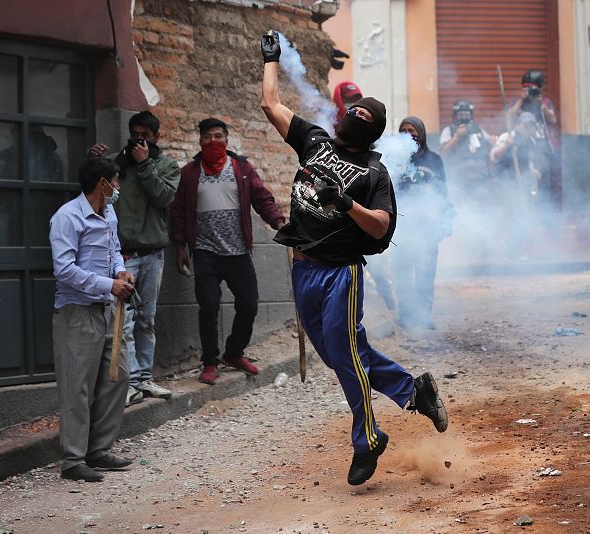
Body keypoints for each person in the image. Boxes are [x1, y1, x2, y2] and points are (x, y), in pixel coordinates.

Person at [260, 30, 448, 487]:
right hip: (302, 267)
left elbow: (382, 226)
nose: (356, 117)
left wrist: (345, 203)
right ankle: (412, 390)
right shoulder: (315, 141)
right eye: (355, 111)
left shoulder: (374, 173)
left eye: (366, 117)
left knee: (346, 357)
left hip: (340, 275)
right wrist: (270, 59)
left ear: (372, 132)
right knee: (342, 353)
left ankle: (368, 441)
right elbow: (270, 105)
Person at [169, 118, 286, 385]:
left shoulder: (241, 168)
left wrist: (277, 220)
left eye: (218, 136)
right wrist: (179, 246)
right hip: (205, 251)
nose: (213, 141)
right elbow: (177, 213)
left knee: (249, 303)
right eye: (207, 136)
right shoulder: (189, 173)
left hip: (237, 251)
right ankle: (210, 361)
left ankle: (234, 353)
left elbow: (262, 198)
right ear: (199, 141)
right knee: (208, 306)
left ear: (227, 139)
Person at [49, 157, 136, 482]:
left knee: (118, 376)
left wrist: (119, 271)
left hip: (106, 310)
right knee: (77, 388)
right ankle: (73, 460)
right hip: (76, 314)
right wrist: (109, 285)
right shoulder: (67, 217)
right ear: (103, 183)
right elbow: (64, 270)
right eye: (116, 181)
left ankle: (98, 450)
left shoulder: (108, 213)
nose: (118, 188)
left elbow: (114, 250)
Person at [88, 111, 181, 406]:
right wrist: (94, 165)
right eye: (135, 134)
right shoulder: (117, 163)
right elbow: (97, 194)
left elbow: (163, 198)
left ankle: (143, 379)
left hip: (153, 254)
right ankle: (126, 384)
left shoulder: (167, 165)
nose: (139, 140)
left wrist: (144, 165)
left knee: (146, 320)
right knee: (122, 322)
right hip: (123, 255)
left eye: (146, 135)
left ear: (156, 137)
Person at [395, 116, 451, 331]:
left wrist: (441, 221)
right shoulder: (395, 159)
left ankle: (423, 316)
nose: (410, 134)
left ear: (422, 132)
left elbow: (442, 192)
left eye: (413, 130)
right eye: (404, 130)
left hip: (427, 226)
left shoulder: (435, 160)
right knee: (402, 272)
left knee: (426, 272)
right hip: (403, 226)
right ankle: (406, 314)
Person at [490, 112, 541, 259]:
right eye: (526, 126)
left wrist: (533, 171)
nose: (528, 129)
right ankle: (508, 252)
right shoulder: (507, 137)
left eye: (531, 126)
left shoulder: (531, 142)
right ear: (519, 125)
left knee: (522, 217)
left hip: (522, 185)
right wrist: (507, 145)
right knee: (511, 217)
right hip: (506, 185)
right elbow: (494, 156)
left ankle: (517, 250)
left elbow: (528, 162)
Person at [507, 69, 558, 208]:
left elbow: (553, 119)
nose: (528, 91)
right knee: (523, 180)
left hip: (541, 147)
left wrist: (542, 106)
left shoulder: (545, 101)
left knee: (543, 183)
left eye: (532, 88)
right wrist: (521, 100)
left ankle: (544, 214)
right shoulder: (517, 101)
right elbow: (509, 116)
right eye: (525, 87)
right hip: (523, 146)